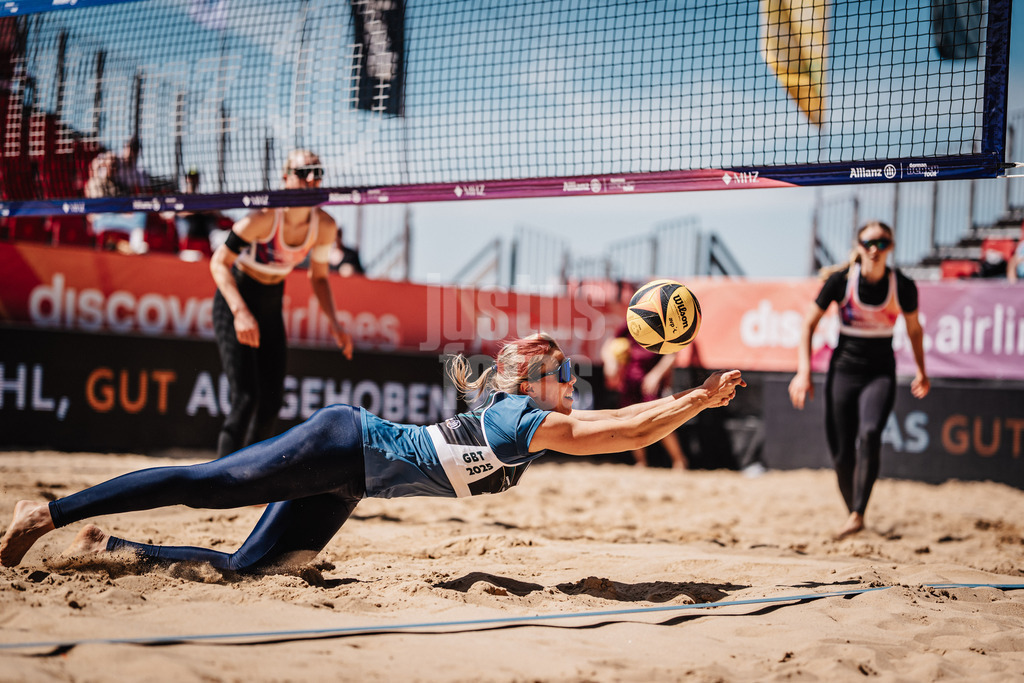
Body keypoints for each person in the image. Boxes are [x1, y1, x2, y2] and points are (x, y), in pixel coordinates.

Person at [0, 333, 745, 571]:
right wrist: (698, 398)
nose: (577, 382)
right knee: (207, 483)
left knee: (246, 570)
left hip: (351, 482)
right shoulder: (522, 417)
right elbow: (623, 430)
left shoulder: (526, 415)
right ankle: (50, 511)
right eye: (568, 374)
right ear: (533, 379)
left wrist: (691, 400)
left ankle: (111, 542)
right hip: (341, 441)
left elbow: (626, 420)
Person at [788, 221, 930, 540]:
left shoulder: (902, 285)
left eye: (882, 242)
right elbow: (808, 325)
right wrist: (803, 371)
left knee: (869, 434)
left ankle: (858, 513)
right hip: (844, 371)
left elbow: (915, 330)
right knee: (841, 454)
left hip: (880, 372)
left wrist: (922, 370)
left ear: (890, 246)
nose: (874, 248)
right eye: (869, 242)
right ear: (859, 245)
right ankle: (854, 511)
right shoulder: (841, 281)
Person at [210, 149, 354, 457]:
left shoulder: (324, 225)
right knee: (245, 398)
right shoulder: (263, 218)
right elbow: (219, 263)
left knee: (272, 400)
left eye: (318, 172)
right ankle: (216, 482)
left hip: (271, 303)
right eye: (304, 173)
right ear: (285, 178)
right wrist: (240, 312)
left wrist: (335, 324)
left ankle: (251, 478)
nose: (313, 179)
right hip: (236, 297)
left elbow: (318, 278)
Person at [601, 324, 689, 470]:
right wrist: (611, 364)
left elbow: (672, 354)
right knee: (630, 422)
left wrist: (657, 374)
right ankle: (641, 462)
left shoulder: (662, 325)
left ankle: (679, 460)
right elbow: (607, 347)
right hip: (630, 382)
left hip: (650, 382)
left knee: (661, 421)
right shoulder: (630, 323)